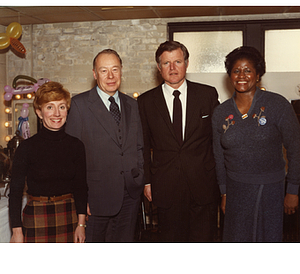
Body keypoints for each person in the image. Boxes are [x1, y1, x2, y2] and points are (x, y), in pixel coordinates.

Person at [212, 46, 300, 242]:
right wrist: (224, 192)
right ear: (230, 75)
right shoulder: (220, 113)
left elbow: (296, 148)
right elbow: (218, 157)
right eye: (236, 70)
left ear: (258, 74)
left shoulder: (278, 105)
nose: (241, 75)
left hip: (269, 191)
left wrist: (293, 190)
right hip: (235, 192)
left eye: (248, 70)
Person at [137, 40, 220, 242]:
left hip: (203, 185)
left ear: (187, 63)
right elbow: (143, 145)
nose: (173, 68)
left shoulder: (207, 94)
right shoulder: (146, 101)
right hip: (166, 186)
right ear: (159, 67)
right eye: (166, 63)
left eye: (177, 62)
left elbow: (217, 140)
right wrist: (147, 181)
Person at [65, 49, 144, 242]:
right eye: (104, 71)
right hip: (95, 200)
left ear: (121, 71)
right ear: (94, 74)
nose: (110, 76)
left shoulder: (131, 104)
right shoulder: (79, 105)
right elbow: (71, 158)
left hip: (130, 196)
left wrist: (139, 177)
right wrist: (81, 201)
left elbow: (138, 145)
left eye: (115, 70)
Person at [9, 81, 88, 243]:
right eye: (50, 107)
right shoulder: (26, 148)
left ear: (67, 110)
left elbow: (81, 187)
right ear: (39, 112)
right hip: (36, 216)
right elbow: (15, 192)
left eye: (62, 106)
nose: (57, 113)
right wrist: (16, 231)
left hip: (68, 215)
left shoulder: (76, 146)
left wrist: (81, 224)